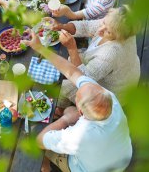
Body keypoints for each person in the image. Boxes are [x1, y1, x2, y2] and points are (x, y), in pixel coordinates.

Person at [21, 31, 132, 172]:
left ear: (80, 111)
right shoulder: (110, 98)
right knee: (67, 111)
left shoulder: (78, 136)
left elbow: (41, 140)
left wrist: (66, 119)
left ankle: (45, 167)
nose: (83, 84)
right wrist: (40, 48)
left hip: (86, 168)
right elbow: (73, 72)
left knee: (36, 147)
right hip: (121, 158)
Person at [46, 6, 140, 110]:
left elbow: (84, 79)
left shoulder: (111, 53)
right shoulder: (120, 25)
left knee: (64, 87)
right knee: (69, 63)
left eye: (108, 32)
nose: (100, 30)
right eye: (104, 22)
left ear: (119, 36)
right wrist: (61, 26)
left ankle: (59, 109)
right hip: (121, 71)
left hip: (111, 94)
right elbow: (87, 26)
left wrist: (72, 48)